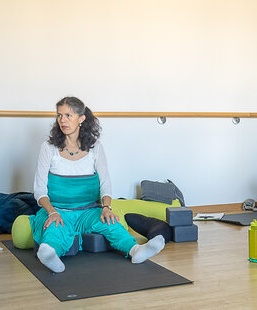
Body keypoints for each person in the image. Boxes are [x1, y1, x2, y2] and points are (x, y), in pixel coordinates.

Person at [32, 97, 165, 273]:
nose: (62, 120)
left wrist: (106, 207)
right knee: (55, 228)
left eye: (68, 115)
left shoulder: (95, 147)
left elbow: (105, 183)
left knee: (111, 223)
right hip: (58, 209)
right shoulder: (48, 148)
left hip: (88, 210)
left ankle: (135, 251)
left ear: (81, 118)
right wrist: (52, 212)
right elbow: (39, 190)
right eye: (59, 115)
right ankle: (49, 253)